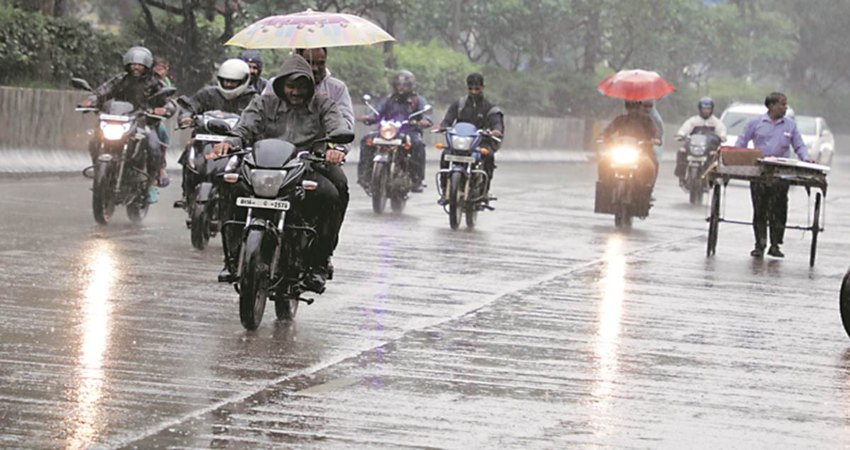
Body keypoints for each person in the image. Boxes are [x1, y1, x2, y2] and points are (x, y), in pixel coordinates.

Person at [212, 54, 349, 292]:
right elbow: (244, 127)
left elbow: (337, 126)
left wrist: (336, 148)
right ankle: (231, 260)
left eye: (302, 86)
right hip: (263, 167)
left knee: (334, 194)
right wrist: (231, 141)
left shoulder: (324, 103)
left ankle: (318, 263)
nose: (296, 92)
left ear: (310, 84)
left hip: (307, 166)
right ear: (280, 84)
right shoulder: (263, 102)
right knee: (229, 185)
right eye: (290, 86)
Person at [78, 46, 174, 204]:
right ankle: (99, 169)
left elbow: (169, 102)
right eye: (133, 64)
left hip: (143, 122)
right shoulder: (120, 79)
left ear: (147, 65)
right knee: (95, 139)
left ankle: (150, 184)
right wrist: (91, 101)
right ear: (127, 64)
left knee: (154, 146)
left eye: (140, 64)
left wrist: (164, 109)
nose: (136, 67)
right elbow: (103, 91)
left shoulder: (154, 82)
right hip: (117, 120)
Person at [172, 58, 257, 208]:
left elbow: (259, 118)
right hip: (204, 139)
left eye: (233, 82)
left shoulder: (254, 99)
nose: (228, 85)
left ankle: (242, 201)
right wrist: (186, 117)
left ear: (244, 81)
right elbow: (191, 106)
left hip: (237, 145)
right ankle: (187, 193)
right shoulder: (208, 93)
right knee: (189, 152)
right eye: (225, 81)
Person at [735, 92, 810, 258]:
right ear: (771, 105)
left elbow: (799, 146)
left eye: (785, 104)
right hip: (760, 171)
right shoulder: (755, 123)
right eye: (782, 104)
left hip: (781, 173)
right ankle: (759, 244)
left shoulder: (790, 125)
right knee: (759, 208)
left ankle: (775, 245)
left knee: (779, 208)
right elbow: (741, 143)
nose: (785, 107)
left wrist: (807, 158)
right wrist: (736, 156)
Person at [357, 70, 433, 192]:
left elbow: (426, 114)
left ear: (411, 86)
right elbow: (377, 110)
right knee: (366, 140)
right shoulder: (388, 99)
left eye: (405, 85)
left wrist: (425, 120)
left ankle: (417, 179)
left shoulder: (417, 100)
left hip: (409, 131)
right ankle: (365, 175)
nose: (401, 88)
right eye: (399, 85)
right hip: (387, 130)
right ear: (394, 85)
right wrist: (369, 117)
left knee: (418, 144)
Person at [436, 72, 504, 193]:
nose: (473, 91)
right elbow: (448, 119)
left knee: (489, 156)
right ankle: (444, 187)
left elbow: (496, 122)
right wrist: (443, 126)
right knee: (445, 154)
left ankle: (484, 190)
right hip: (460, 142)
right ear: (467, 88)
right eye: (470, 88)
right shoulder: (459, 105)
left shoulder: (489, 107)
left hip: (480, 142)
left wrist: (496, 130)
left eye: (477, 88)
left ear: (482, 88)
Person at [598, 100, 661, 206]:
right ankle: (605, 187)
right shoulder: (620, 120)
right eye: (630, 106)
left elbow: (656, 134)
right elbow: (608, 130)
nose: (633, 110)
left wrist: (655, 139)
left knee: (653, 164)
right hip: (620, 150)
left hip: (642, 152)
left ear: (640, 108)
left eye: (635, 107)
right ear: (626, 108)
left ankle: (647, 190)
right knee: (603, 162)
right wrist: (603, 136)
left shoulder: (647, 121)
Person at [674, 97, 727, 184]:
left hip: (708, 149)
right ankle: (681, 175)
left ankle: (714, 177)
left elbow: (721, 131)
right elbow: (684, 129)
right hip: (693, 148)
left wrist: (722, 136)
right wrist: (681, 134)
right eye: (704, 109)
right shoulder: (693, 121)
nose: (706, 111)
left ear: (712, 109)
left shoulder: (716, 122)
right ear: (700, 109)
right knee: (681, 151)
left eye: (708, 109)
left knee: (717, 155)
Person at [152, 56, 174, 187]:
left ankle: (160, 167)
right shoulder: (128, 80)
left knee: (162, 134)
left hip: (150, 118)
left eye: (162, 69)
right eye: (157, 68)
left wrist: (163, 110)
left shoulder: (164, 83)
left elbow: (168, 101)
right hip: (130, 117)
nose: (159, 72)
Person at [643, 99, 665, 167]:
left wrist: (657, 138)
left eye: (649, 105)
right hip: (629, 144)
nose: (647, 108)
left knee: (653, 160)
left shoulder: (653, 119)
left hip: (645, 144)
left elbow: (658, 129)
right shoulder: (623, 118)